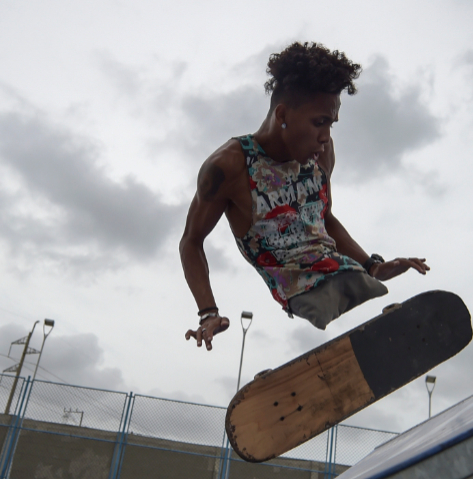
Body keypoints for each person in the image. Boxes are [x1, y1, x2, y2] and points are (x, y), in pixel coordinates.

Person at [179, 42, 429, 351]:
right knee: (325, 297)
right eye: (319, 122)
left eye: (331, 124)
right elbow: (191, 241)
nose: (325, 137)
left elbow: (324, 218)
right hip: (295, 285)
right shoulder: (228, 166)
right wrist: (208, 312)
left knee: (359, 285)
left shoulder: (322, 153)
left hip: (337, 268)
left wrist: (372, 266)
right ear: (282, 114)